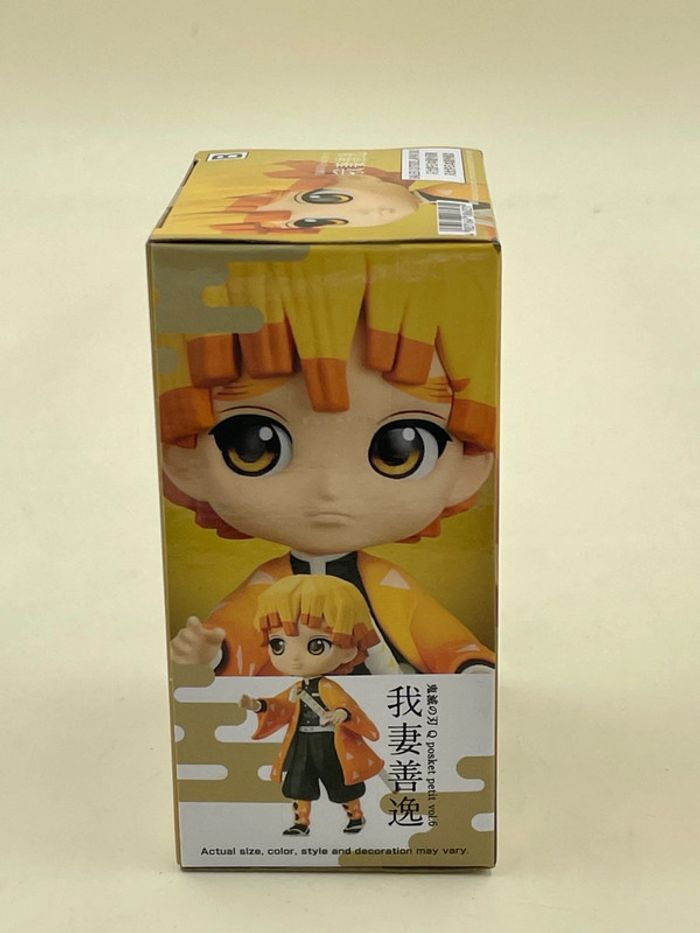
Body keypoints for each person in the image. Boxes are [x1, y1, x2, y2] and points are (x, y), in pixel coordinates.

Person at [163, 244, 498, 675]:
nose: (329, 488)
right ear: (185, 461)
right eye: (254, 447)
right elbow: (234, 639)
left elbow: (441, 639)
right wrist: (210, 654)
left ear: (468, 468)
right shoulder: (267, 589)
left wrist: (468, 666)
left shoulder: (390, 586)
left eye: (398, 450)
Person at [239, 576, 384, 835]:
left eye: (317, 645)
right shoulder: (297, 688)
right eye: (278, 644)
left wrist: (341, 713)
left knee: (341, 782)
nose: (294, 658)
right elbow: (281, 706)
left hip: (329, 744)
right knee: (299, 783)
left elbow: (347, 705)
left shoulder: (329, 687)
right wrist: (258, 705)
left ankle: (355, 816)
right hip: (302, 742)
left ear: (349, 650)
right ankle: (301, 823)